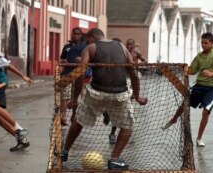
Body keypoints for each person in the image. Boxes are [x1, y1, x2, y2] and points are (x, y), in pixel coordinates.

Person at [56, 28, 148, 169]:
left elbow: (80, 73)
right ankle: (114, 159)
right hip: (119, 94)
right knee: (128, 125)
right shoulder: (122, 47)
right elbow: (134, 74)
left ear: (93, 37)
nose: (86, 42)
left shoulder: (90, 48)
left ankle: (64, 152)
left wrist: (75, 99)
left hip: (97, 92)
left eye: (87, 40)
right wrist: (137, 96)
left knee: (78, 120)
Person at [161, 32, 213, 147]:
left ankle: (199, 138)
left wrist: (212, 74)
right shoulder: (199, 56)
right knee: (185, 104)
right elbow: (192, 70)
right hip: (199, 86)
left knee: (206, 111)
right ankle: (173, 119)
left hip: (211, 88)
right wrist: (182, 69)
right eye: (202, 43)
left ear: (212, 43)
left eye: (206, 43)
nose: (203, 45)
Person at [106, 38, 147, 144]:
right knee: (119, 109)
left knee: (127, 110)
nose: (128, 45)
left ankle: (123, 133)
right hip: (122, 79)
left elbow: (144, 60)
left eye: (130, 44)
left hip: (132, 78)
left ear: (134, 45)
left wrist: (143, 63)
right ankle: (112, 130)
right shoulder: (122, 52)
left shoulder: (136, 53)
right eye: (127, 43)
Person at [60, 27, 87, 125]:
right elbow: (61, 59)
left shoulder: (84, 47)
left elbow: (87, 60)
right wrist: (63, 61)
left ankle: (74, 115)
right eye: (74, 34)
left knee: (76, 97)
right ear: (71, 34)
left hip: (78, 75)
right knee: (64, 97)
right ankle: (63, 116)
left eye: (77, 34)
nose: (75, 35)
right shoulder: (67, 46)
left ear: (80, 36)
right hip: (66, 75)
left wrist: (81, 59)